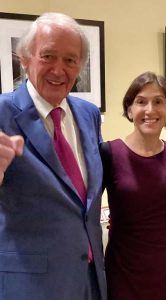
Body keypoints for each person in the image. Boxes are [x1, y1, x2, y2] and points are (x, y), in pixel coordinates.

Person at [0, 12, 106, 300]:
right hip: (30, 285)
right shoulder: (2, 114)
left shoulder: (89, 115)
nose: (59, 70)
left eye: (70, 60)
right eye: (48, 56)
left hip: (89, 278)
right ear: (25, 58)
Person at [100, 71, 166, 300]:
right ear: (129, 110)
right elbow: (88, 208)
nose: (150, 110)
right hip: (125, 268)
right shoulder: (109, 153)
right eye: (141, 102)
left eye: (158, 101)